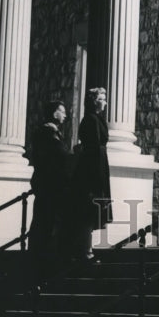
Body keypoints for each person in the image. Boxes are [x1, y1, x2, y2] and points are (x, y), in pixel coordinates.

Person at [71, 86, 113, 262]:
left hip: (98, 164)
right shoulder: (91, 120)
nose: (105, 101)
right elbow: (94, 147)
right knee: (89, 210)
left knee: (91, 210)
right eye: (102, 98)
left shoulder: (96, 119)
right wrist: (98, 177)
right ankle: (85, 251)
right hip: (93, 168)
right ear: (95, 101)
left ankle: (86, 250)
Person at [28, 99, 71, 265]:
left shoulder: (51, 133)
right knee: (46, 221)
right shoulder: (46, 133)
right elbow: (56, 156)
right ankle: (42, 258)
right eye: (62, 111)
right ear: (54, 114)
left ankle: (42, 256)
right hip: (49, 185)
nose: (65, 114)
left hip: (48, 184)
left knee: (44, 220)